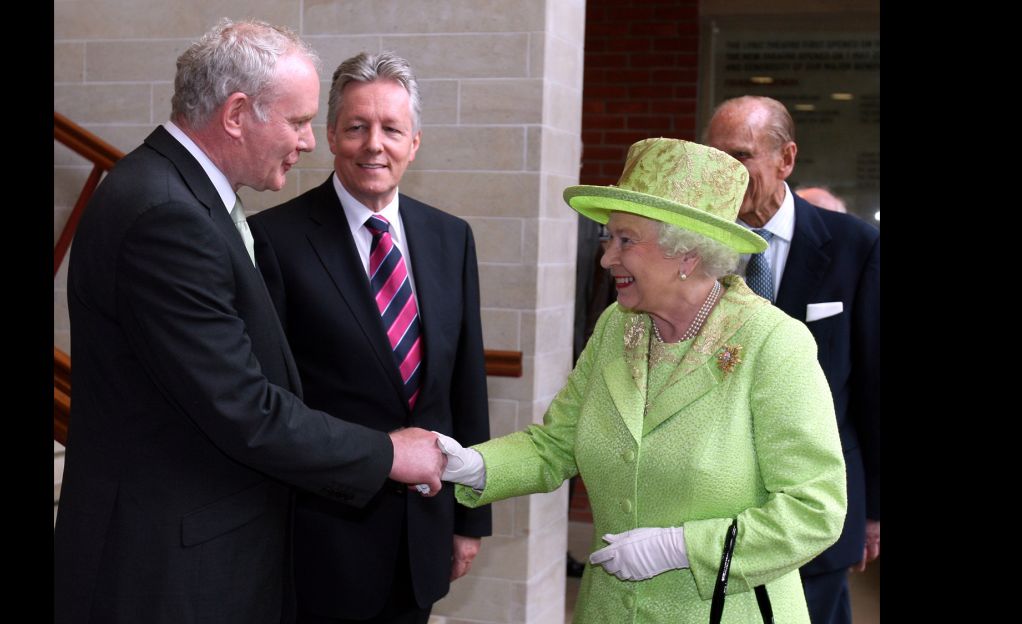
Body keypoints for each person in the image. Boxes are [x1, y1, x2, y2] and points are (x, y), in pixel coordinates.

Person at [54, 21, 447, 624]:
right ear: (237, 113)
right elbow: (244, 408)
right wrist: (386, 454)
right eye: (297, 121)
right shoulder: (166, 214)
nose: (311, 142)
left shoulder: (183, 195)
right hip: (169, 570)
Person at [438, 138, 847, 623]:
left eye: (625, 240)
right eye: (608, 239)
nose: (607, 258)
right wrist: (472, 465)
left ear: (687, 254)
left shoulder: (773, 343)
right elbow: (557, 444)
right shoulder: (617, 326)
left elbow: (816, 508)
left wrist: (681, 547)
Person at [249, 51, 491, 623]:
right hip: (320, 541)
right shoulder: (274, 241)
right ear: (331, 134)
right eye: (357, 127)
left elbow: (466, 386)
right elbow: (270, 401)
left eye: (391, 129)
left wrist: (469, 519)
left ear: (415, 142)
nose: (373, 144)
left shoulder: (450, 239)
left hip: (423, 534)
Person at [705, 96, 880, 624]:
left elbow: (874, 386)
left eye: (739, 156)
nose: (725, 172)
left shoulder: (855, 246)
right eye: (714, 156)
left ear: (786, 159)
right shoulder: (691, 244)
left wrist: (874, 511)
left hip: (816, 509)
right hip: (713, 508)